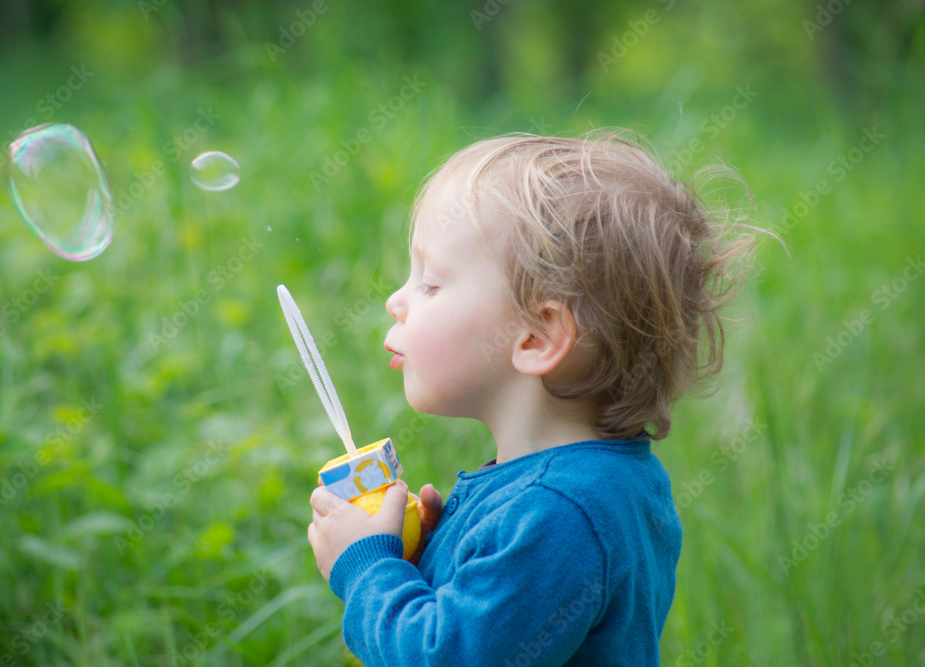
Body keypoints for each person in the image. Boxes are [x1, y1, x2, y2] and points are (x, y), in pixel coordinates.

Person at [308, 131, 756, 666]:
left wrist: (367, 569)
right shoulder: (577, 488)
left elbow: (446, 657)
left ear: (537, 337)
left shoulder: (560, 515)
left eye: (429, 283)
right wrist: (434, 558)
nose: (396, 300)